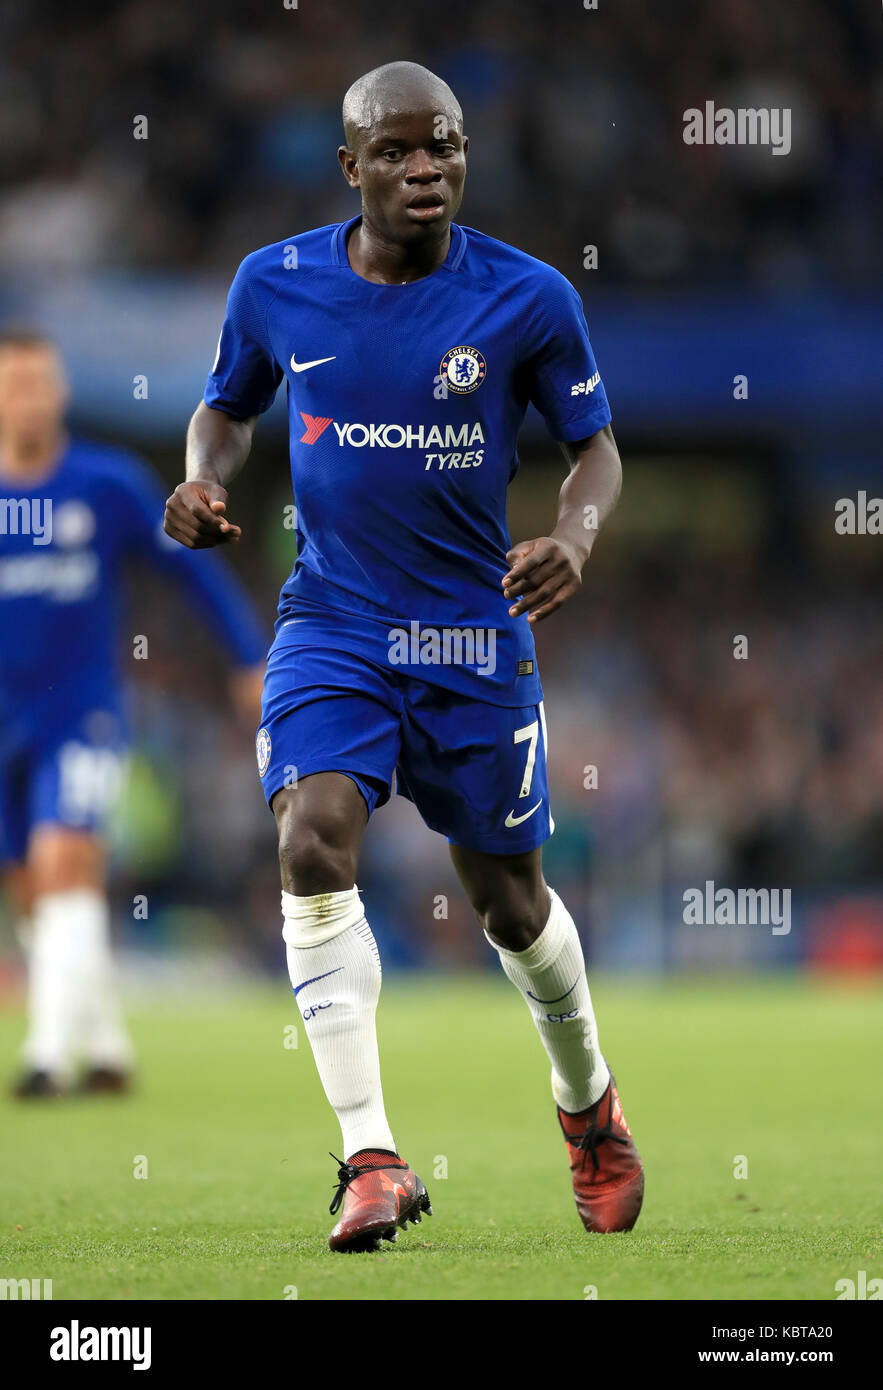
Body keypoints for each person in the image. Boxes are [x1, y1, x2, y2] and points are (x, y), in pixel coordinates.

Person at [164, 61, 642, 1252]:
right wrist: (203, 479)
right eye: (398, 151)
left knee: (511, 902)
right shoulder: (273, 283)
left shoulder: (528, 299)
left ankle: (587, 1106)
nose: (426, 169)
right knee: (309, 835)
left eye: (446, 148)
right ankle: (372, 1156)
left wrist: (574, 541)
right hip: (332, 623)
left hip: (474, 636)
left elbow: (596, 451)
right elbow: (225, 405)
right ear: (351, 168)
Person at [0, 329, 267, 1096]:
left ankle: (48, 1057)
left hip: (79, 716)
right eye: (14, 386)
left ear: (60, 394)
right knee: (31, 886)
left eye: (39, 385)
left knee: (65, 860)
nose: (29, 401)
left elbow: (191, 574)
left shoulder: (104, 486)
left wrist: (249, 657)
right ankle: (108, 1039)